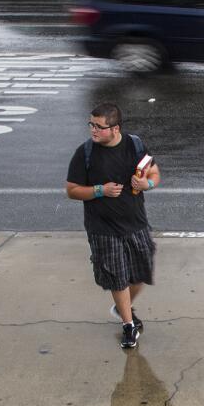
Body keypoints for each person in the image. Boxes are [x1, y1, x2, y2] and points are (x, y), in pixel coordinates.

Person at [65, 102, 162, 349]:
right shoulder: (84, 153)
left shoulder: (134, 145)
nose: (93, 130)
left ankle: (122, 308)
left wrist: (146, 185)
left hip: (136, 222)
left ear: (115, 128)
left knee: (142, 271)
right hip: (103, 227)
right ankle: (128, 326)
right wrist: (100, 190)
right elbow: (72, 191)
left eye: (99, 126)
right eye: (91, 125)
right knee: (118, 277)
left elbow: (154, 173)